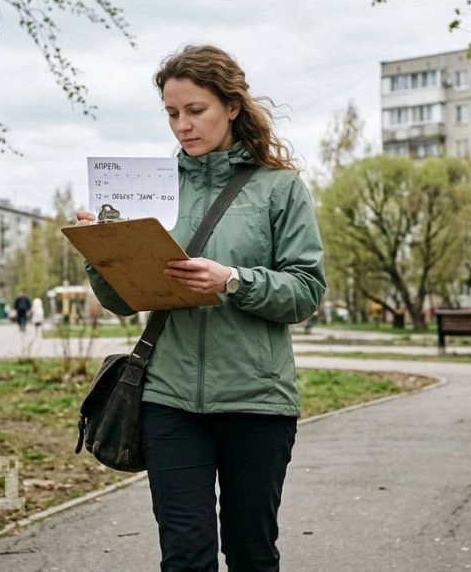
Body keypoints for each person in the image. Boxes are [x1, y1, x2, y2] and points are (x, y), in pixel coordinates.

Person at [75, 44, 325, 571]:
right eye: (171, 113)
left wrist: (232, 280)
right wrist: (100, 251)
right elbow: (123, 301)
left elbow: (305, 292)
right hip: (168, 399)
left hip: (257, 400)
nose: (182, 126)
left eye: (195, 110)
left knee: (252, 553)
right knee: (185, 556)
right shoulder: (147, 190)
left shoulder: (280, 190)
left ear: (231, 106)